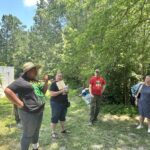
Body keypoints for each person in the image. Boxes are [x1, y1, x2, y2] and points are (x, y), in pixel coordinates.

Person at [4, 62, 49, 150]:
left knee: (36, 130)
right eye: (34, 70)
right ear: (28, 71)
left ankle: (35, 147)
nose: (36, 72)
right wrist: (19, 103)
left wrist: (46, 82)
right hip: (29, 112)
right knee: (28, 134)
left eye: (36, 70)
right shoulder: (20, 81)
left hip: (39, 110)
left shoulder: (34, 80)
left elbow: (42, 92)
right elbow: (7, 90)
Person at [49, 72, 69, 139]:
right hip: (55, 103)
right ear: (56, 77)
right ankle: (53, 132)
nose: (60, 77)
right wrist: (61, 91)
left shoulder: (62, 83)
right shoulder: (53, 84)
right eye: (58, 76)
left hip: (63, 103)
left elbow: (64, 92)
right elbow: (52, 94)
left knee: (62, 117)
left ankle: (63, 130)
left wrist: (66, 91)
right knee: (55, 117)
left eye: (61, 76)